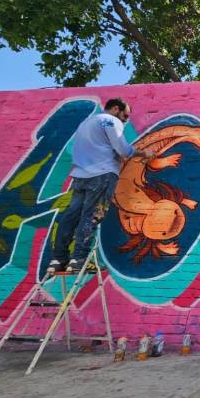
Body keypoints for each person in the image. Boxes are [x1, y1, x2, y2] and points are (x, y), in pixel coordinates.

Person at [47, 98, 154, 274]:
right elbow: (123, 149)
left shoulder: (86, 123)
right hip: (102, 175)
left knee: (71, 217)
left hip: (81, 176)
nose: (126, 120)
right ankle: (78, 259)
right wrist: (144, 153)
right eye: (125, 115)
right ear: (115, 109)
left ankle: (58, 259)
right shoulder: (111, 121)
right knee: (92, 216)